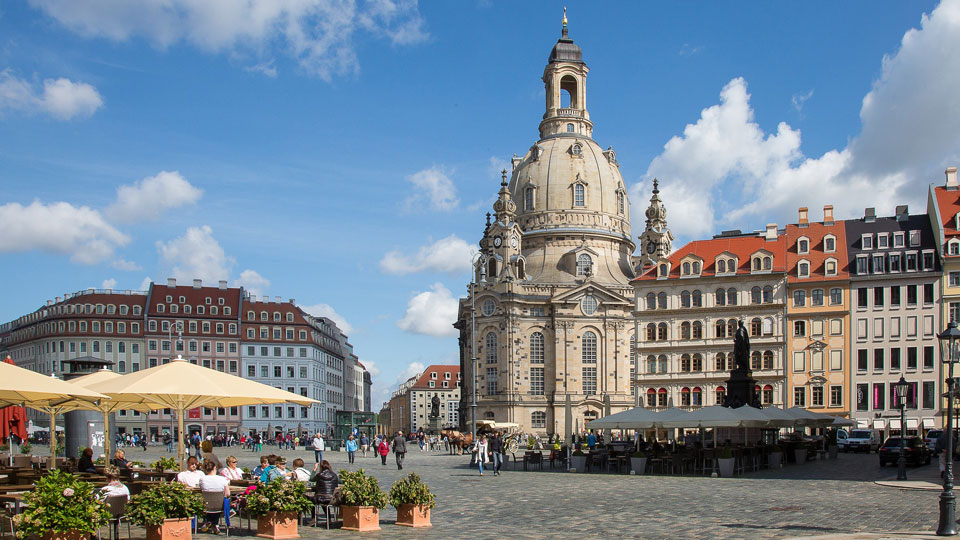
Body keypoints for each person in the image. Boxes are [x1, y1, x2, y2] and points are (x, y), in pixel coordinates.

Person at [198, 460, 230, 534]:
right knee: (220, 503)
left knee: (209, 504)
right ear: (215, 468)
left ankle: (209, 522)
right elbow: (227, 494)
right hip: (219, 506)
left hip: (206, 505)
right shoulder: (222, 479)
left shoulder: (202, 479)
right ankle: (214, 524)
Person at [310, 460, 338, 525]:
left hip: (320, 498)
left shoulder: (319, 475)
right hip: (332, 499)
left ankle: (313, 519)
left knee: (311, 500)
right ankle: (329, 519)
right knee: (325, 502)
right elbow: (340, 481)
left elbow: (311, 479)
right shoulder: (334, 475)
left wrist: (314, 469)